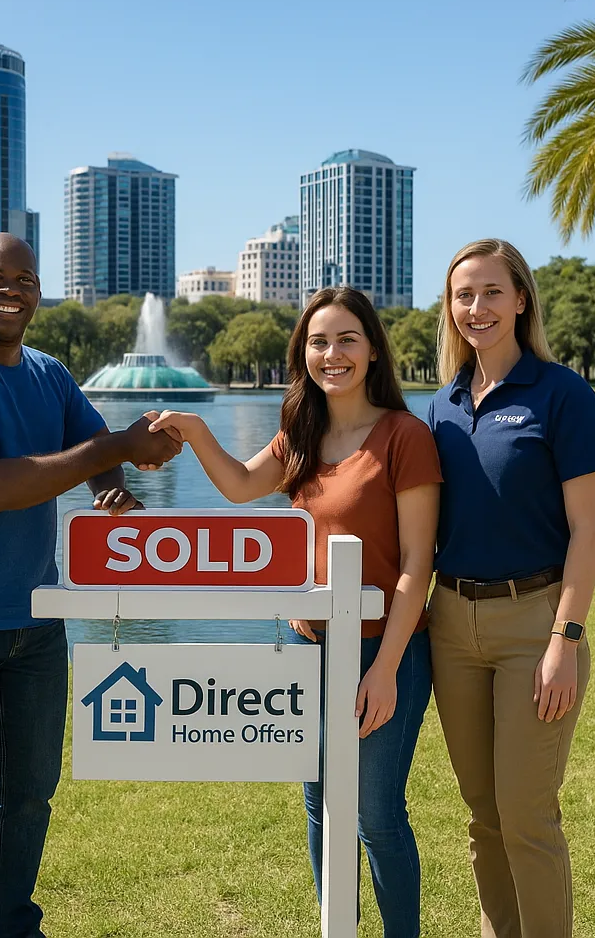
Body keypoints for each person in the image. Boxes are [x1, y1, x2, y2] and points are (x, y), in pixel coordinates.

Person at [0, 233, 181, 938]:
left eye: (25, 279)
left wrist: (109, 485)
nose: (11, 289)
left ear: (39, 294)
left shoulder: (49, 374)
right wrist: (116, 448)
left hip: (39, 621)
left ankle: (9, 929)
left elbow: (92, 443)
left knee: (27, 796)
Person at [147, 286, 441, 936]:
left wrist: (385, 670)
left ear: (372, 350)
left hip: (383, 650)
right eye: (318, 341)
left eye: (346, 340)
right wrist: (195, 429)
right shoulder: (300, 434)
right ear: (303, 352)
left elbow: (417, 563)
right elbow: (238, 487)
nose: (332, 354)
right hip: (309, 647)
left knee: (375, 815)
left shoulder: (405, 436)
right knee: (319, 803)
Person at [427, 238, 595, 938]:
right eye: (463, 295)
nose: (476, 307)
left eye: (492, 292)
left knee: (527, 816)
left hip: (536, 624)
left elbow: (588, 529)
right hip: (451, 626)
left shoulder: (562, 394)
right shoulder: (440, 406)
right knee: (483, 817)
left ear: (522, 300)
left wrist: (566, 639)